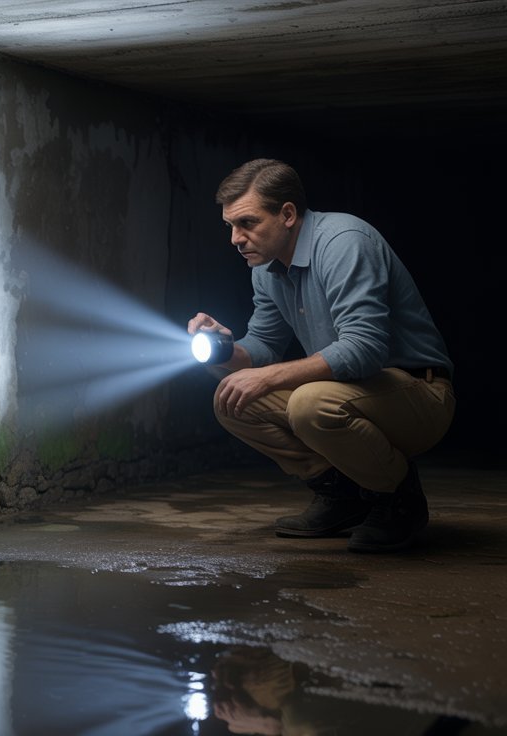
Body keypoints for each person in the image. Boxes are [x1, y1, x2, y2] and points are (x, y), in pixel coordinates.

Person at [188, 158, 455, 553]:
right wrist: (225, 348)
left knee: (309, 403)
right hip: (353, 392)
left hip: (418, 393)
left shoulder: (344, 242)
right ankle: (344, 496)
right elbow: (262, 348)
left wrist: (268, 377)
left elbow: (365, 350)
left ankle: (400, 500)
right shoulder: (265, 270)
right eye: (230, 226)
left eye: (247, 223)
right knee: (233, 399)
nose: (235, 239)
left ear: (288, 214)